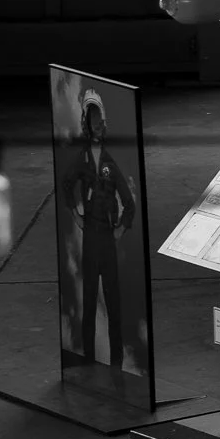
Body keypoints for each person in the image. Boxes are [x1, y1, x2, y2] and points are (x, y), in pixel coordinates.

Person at [58, 94, 139, 370]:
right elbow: (66, 184)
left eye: (99, 120)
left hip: (107, 238)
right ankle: (88, 363)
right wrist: (76, 216)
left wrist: (120, 229)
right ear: (86, 124)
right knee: (90, 303)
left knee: (114, 305)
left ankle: (116, 366)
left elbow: (129, 204)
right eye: (92, 120)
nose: (97, 126)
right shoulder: (82, 160)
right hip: (91, 237)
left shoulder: (110, 163)